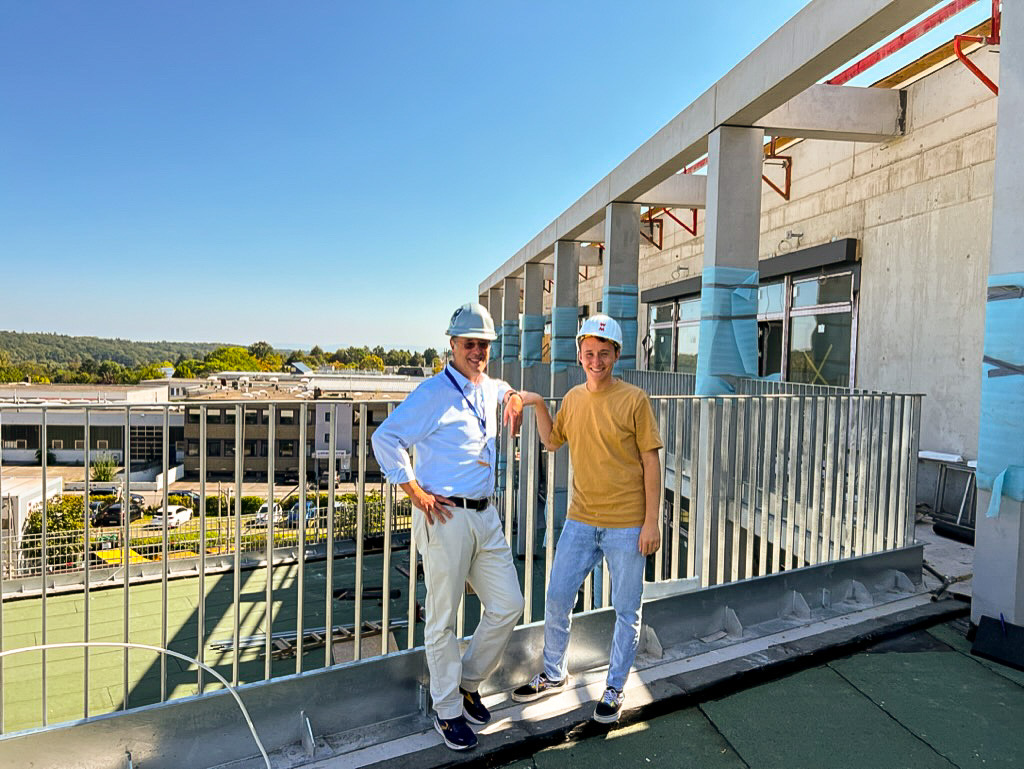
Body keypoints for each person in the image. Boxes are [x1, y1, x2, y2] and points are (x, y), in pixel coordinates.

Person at [371, 302, 526, 751]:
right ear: (452, 345)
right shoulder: (433, 393)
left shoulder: (488, 386)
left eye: (484, 344)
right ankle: (447, 711)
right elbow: (386, 438)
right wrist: (414, 492)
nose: (477, 351)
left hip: (486, 516)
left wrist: (514, 396)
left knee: (508, 604)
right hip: (446, 518)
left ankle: (468, 681)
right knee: (442, 620)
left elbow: (505, 390)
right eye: (470, 343)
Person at [512, 313, 662, 724]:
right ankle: (554, 673)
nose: (596, 360)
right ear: (579, 355)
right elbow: (551, 441)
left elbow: (652, 463)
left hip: (628, 523)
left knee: (627, 610)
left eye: (604, 353)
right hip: (580, 519)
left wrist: (652, 522)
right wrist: (538, 402)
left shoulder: (635, 400)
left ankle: (614, 687)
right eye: (589, 353)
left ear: (616, 355)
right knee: (558, 596)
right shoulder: (574, 399)